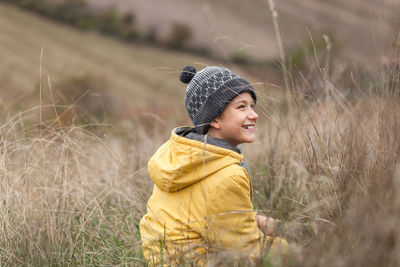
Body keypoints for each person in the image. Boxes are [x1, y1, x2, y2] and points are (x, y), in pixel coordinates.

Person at [139, 65, 287, 266]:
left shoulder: (182, 155)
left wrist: (262, 222)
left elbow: (207, 210)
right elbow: (249, 252)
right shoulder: (227, 176)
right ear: (215, 118)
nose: (254, 115)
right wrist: (300, 249)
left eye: (252, 105)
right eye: (242, 107)